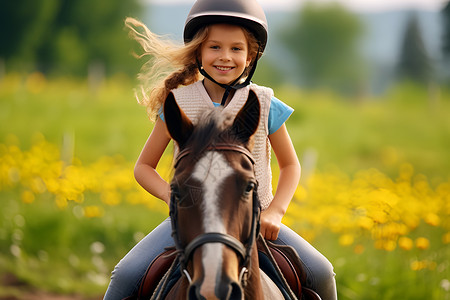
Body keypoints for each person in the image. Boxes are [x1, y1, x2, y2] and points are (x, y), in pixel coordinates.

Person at [104, 0, 337, 299]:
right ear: (198, 52)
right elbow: (143, 167)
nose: (225, 57)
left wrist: (276, 211)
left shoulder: (265, 104)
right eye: (215, 47)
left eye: (236, 49)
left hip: (253, 218)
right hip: (191, 218)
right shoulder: (176, 103)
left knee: (321, 272)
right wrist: (176, 202)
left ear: (251, 56)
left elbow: (291, 166)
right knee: (125, 276)